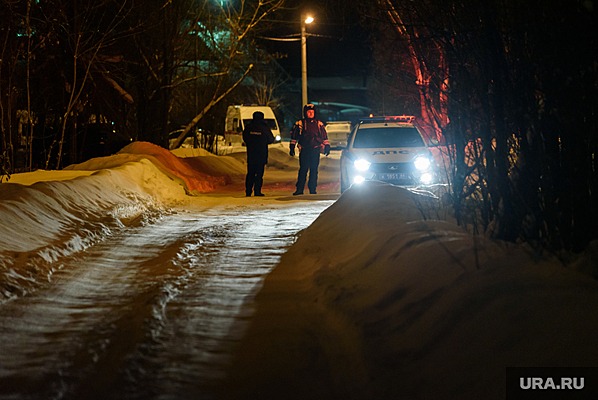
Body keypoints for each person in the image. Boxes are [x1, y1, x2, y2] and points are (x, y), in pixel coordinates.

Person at [289, 103, 330, 195]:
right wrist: (292, 147)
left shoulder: (319, 124)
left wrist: (327, 146)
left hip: (315, 150)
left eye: (312, 112)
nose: (311, 114)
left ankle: (312, 189)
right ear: (305, 113)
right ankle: (300, 189)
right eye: (309, 112)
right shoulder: (300, 123)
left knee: (314, 170)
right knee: (303, 169)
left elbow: (324, 136)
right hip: (305, 150)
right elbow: (294, 136)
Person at [242, 111, 275, 196]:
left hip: (251, 153)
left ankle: (248, 191)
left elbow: (245, 138)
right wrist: (262, 142)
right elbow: (271, 139)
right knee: (259, 174)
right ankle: (257, 191)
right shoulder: (264, 128)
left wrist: (251, 143)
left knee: (250, 173)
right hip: (262, 153)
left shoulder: (249, 127)